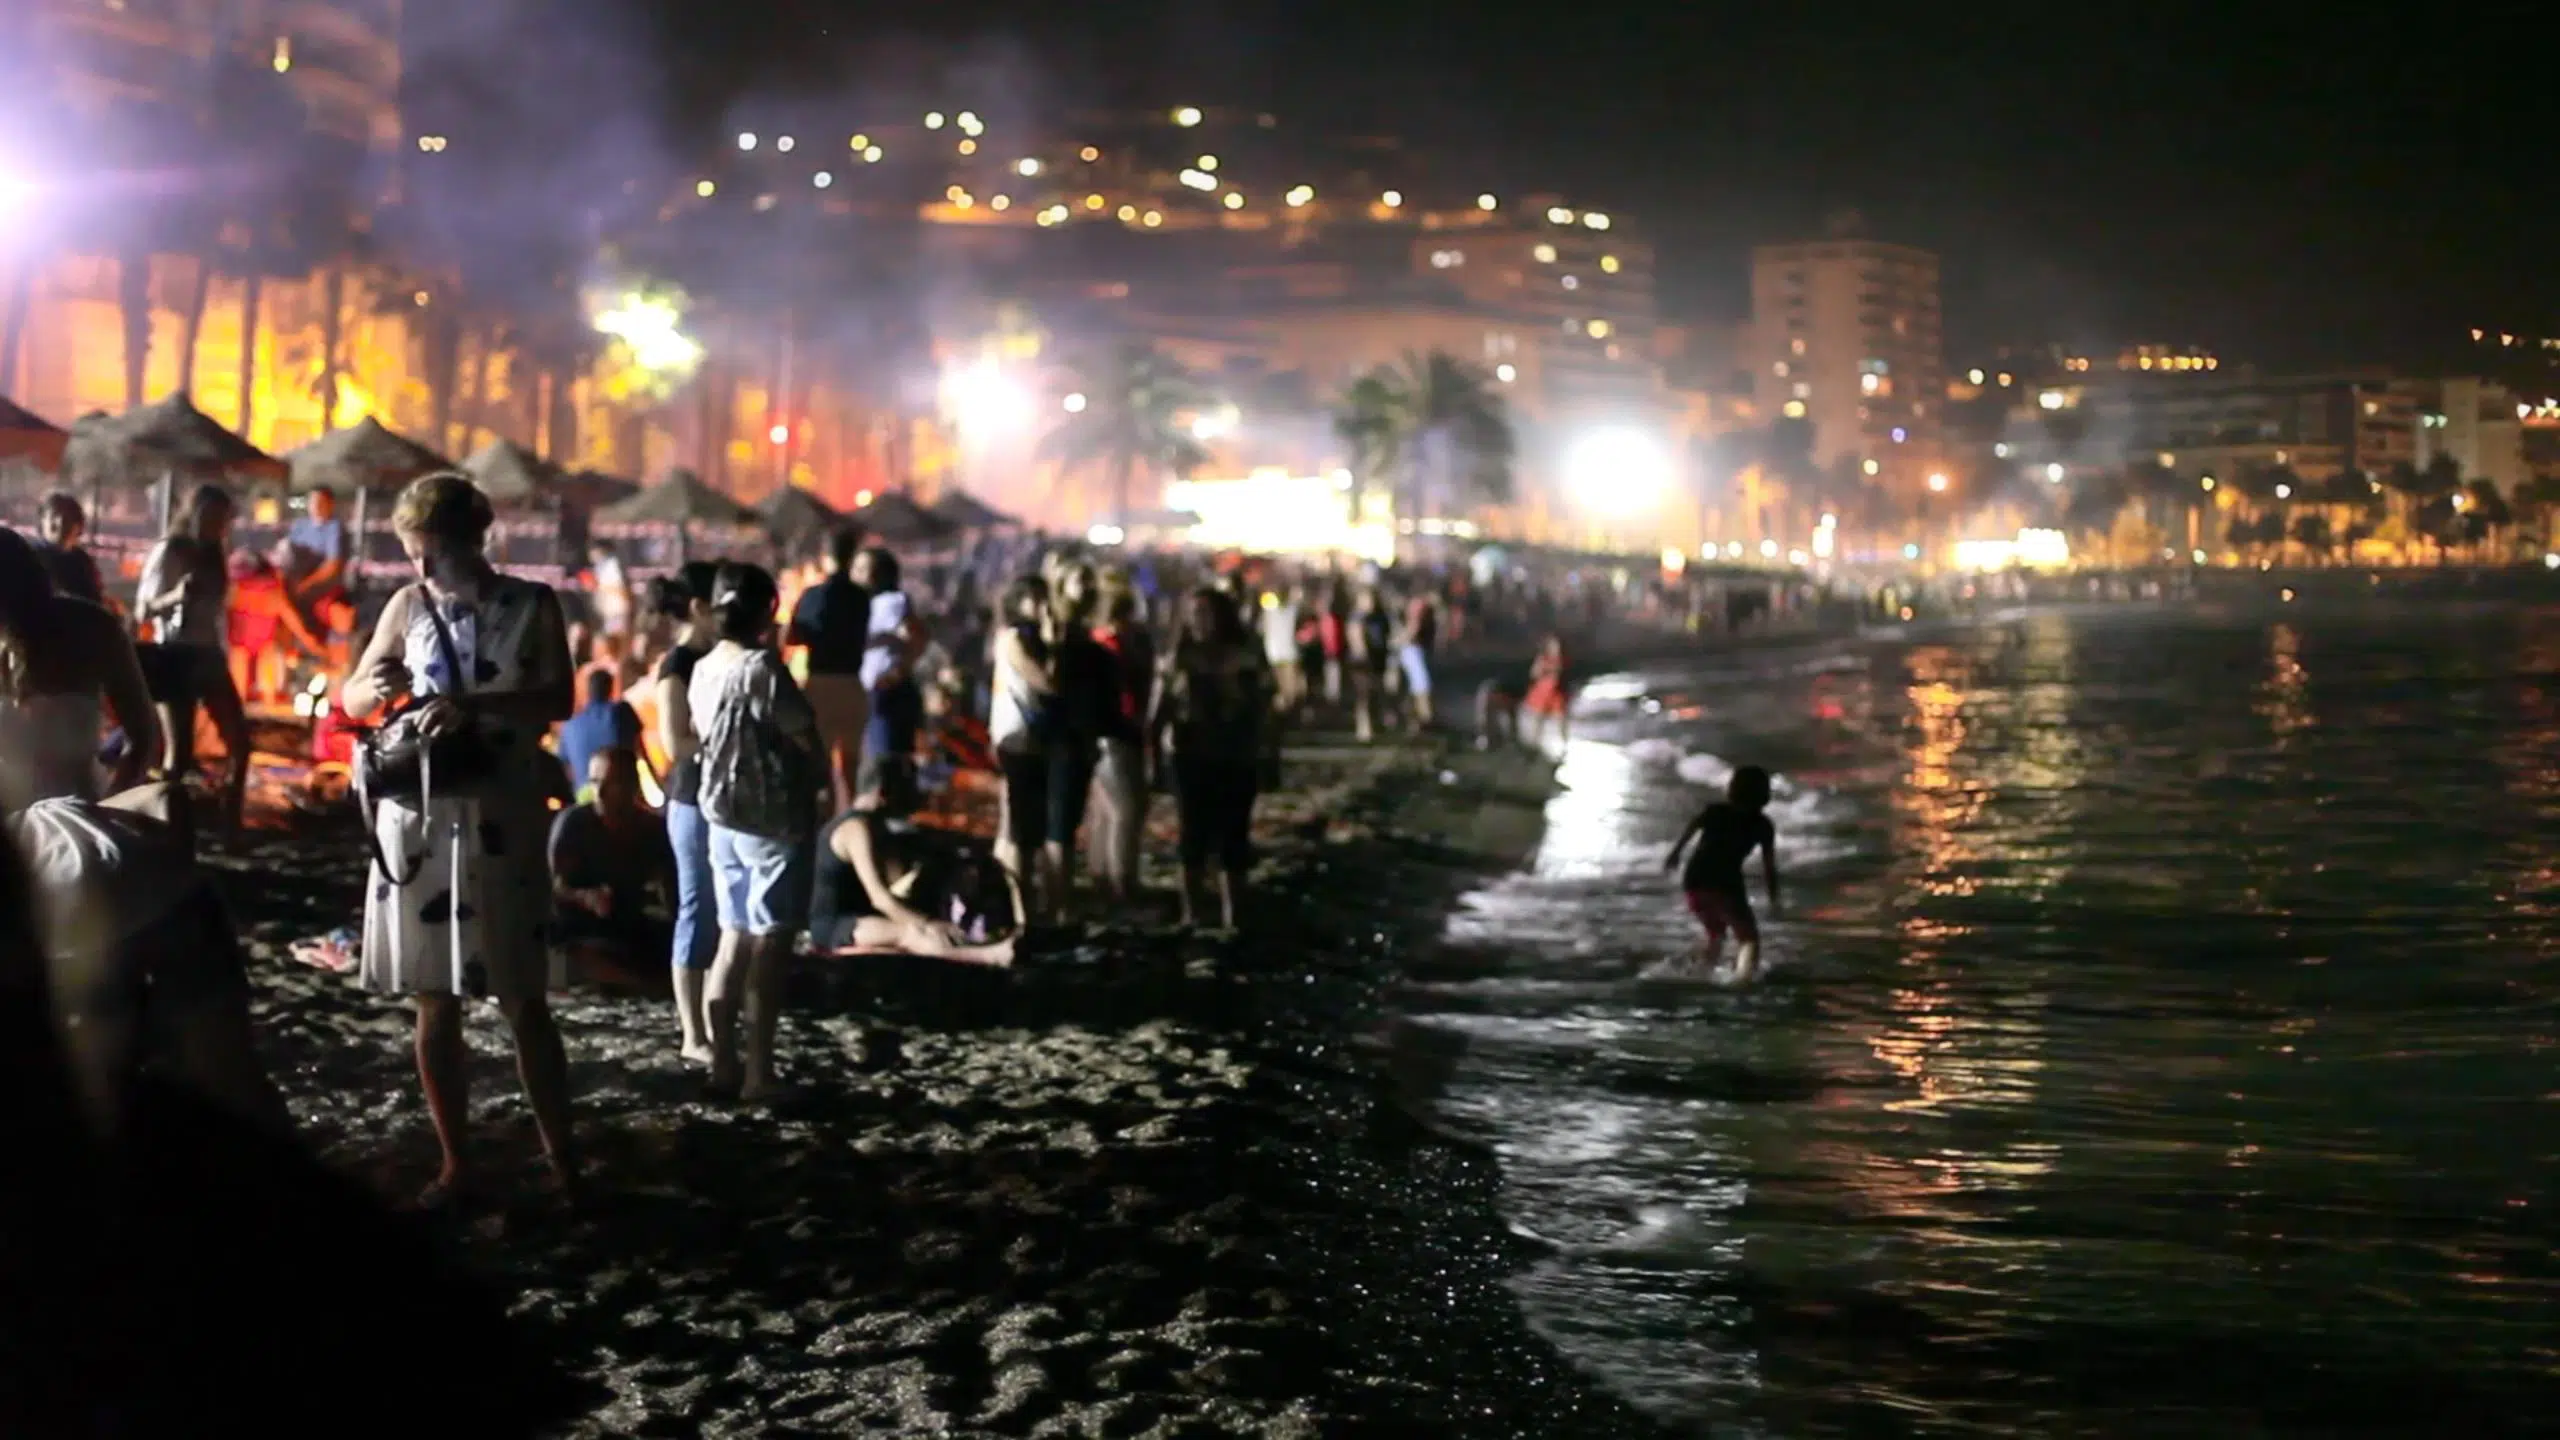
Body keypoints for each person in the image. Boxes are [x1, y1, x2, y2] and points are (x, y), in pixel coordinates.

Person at [340, 471, 580, 1210]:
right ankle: (457, 1162)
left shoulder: (533, 604)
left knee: (522, 994)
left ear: (456, 541)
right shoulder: (407, 606)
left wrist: (470, 706)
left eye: (424, 549)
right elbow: (353, 693)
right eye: (413, 551)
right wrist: (377, 690)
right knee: (433, 996)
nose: (417, 564)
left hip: (500, 811)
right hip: (419, 811)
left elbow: (558, 699)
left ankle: (564, 1162)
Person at [0, 526, 288, 1136]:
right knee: (225, 1065)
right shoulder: (88, 625)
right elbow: (144, 740)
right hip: (115, 844)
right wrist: (109, 804)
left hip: (43, 867)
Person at [689, 561, 818, 1100]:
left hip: (721, 815)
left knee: (733, 937)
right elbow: (804, 733)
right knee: (770, 943)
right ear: (768, 611)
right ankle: (759, 1074)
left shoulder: (702, 669)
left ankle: (722, 1063)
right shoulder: (763, 668)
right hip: (772, 819)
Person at [1147, 585, 1268, 930]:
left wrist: (1265, 749)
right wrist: (1154, 756)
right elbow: (1158, 712)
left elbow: (1263, 706)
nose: (1201, 621)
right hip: (1191, 756)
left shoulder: (1244, 655)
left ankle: (1234, 915)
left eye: (1207, 613)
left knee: (1233, 835)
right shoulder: (1178, 659)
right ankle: (1192, 914)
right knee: (1193, 835)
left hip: (1235, 754)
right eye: (1195, 614)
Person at [134, 484, 251, 829]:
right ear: (194, 513)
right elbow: (143, 609)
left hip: (208, 655)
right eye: (211, 516)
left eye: (223, 518)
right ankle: (162, 824)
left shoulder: (216, 552)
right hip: (174, 655)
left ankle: (231, 817)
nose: (217, 524)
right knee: (179, 752)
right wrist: (175, 596)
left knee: (241, 743)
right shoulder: (170, 550)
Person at [807, 790, 1017, 965]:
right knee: (909, 933)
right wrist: (925, 924)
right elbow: (880, 899)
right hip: (834, 925)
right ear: (880, 794)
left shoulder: (874, 826)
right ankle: (991, 956)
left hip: (861, 912)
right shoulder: (855, 830)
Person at [649, 563, 720, 1061]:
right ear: (699, 608)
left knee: (720, 914)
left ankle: (713, 1025)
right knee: (697, 909)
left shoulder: (716, 658)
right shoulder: (679, 665)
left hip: (720, 795)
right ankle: (692, 1033)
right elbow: (675, 742)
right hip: (693, 798)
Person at [548, 747, 675, 981]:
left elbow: (670, 888)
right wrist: (586, 897)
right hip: (579, 926)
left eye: (611, 783)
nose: (601, 792)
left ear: (631, 787)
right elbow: (553, 887)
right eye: (595, 782)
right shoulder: (574, 824)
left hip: (627, 923)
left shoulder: (651, 829)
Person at [1663, 765, 1783, 978]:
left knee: (1716, 934)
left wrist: (1675, 853)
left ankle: (1695, 972)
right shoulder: (1763, 825)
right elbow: (1769, 867)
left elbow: (1692, 827)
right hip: (1725, 883)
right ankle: (1743, 979)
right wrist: (1774, 899)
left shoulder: (1715, 811)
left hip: (1694, 881)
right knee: (1749, 939)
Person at [787, 525, 873, 814]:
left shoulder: (812, 596)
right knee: (850, 768)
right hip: (853, 685)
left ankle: (824, 836)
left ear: (825, 556)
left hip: (819, 687)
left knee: (819, 767)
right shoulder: (862, 598)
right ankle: (850, 823)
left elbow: (792, 637)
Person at [988, 573, 1057, 917]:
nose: (1044, 604)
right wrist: (1051, 635)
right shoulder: (1015, 638)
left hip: (1023, 737)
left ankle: (1007, 898)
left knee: (1016, 823)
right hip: (1018, 737)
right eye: (1036, 598)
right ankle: (1018, 905)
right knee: (1020, 827)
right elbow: (1047, 681)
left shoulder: (1020, 637)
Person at [1084, 576, 1154, 906]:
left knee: (1104, 810)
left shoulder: (1094, 640)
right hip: (1117, 733)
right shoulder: (1114, 645)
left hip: (1099, 734)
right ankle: (1122, 881)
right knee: (1127, 809)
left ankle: (1101, 876)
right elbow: (1126, 694)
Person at [556, 667, 642, 801]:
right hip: (620, 792)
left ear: (588, 692)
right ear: (610, 688)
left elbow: (564, 767)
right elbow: (639, 748)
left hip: (584, 797)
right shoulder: (620, 710)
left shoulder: (569, 726)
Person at [33, 491, 105, 608]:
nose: (60, 522)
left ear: (78, 525)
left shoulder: (83, 562)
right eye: (54, 515)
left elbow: (94, 602)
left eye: (67, 517)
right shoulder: (29, 558)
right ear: (42, 522)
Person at [1348, 585, 1394, 743]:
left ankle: (1375, 723)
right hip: (1362, 662)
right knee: (1364, 694)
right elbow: (1355, 638)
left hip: (1378, 658)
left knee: (1377, 691)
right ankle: (1364, 728)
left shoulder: (1380, 617)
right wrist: (1362, 652)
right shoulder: (1357, 618)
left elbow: (1387, 636)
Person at [1523, 632, 1573, 751]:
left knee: (1561, 719)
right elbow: (1533, 674)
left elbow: (1566, 674)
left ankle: (1565, 745)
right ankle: (1534, 745)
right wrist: (1543, 669)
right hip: (1542, 692)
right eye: (1553, 645)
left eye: (1558, 645)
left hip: (1556, 692)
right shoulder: (1543, 659)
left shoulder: (1563, 659)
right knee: (1538, 719)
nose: (1556, 647)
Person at [1398, 586, 1439, 728]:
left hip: (1416, 649)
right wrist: (1401, 641)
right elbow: (1413, 626)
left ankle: (1416, 717)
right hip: (1413, 650)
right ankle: (1425, 717)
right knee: (1422, 684)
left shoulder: (1423, 607)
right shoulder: (1420, 606)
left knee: (1416, 686)